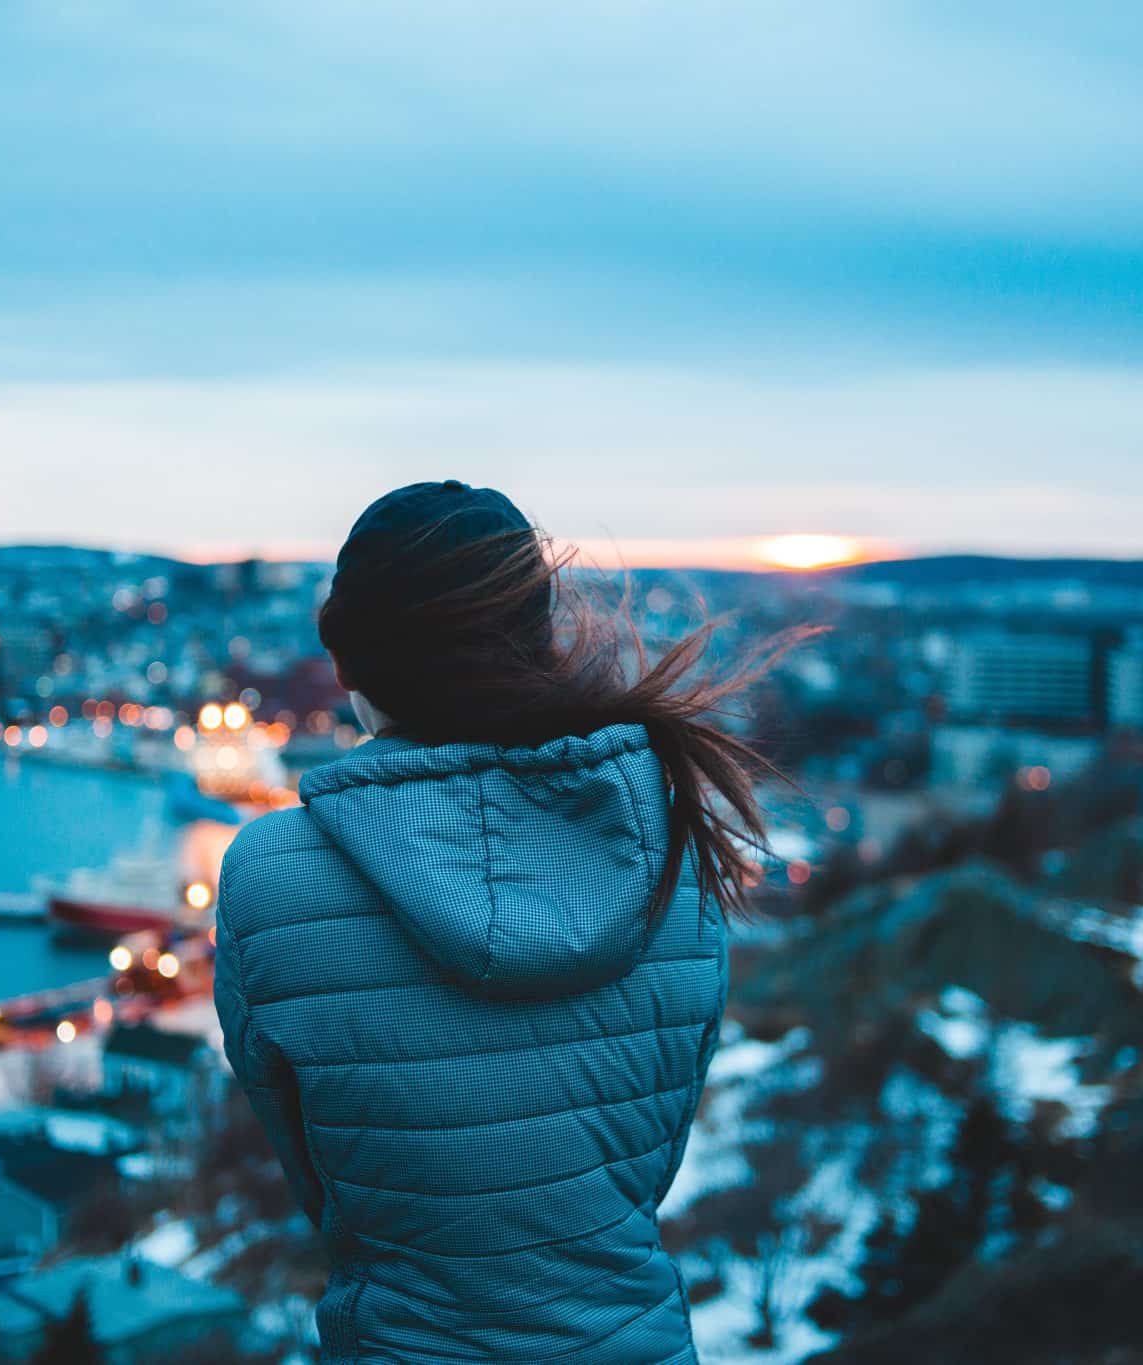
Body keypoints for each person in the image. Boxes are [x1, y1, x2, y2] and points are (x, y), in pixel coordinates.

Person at [215, 480, 812, 1363]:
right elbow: (644, 1165)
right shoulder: (672, 845)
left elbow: (323, 1179)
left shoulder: (272, 876)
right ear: (539, 640)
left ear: (344, 667)